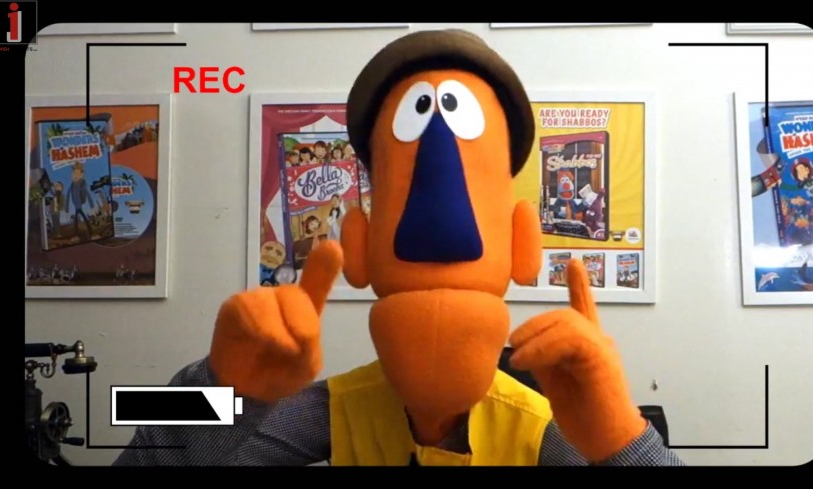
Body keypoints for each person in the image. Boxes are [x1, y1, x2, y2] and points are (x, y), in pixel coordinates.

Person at [115, 29, 684, 467]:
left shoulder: (537, 425)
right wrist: (216, 387)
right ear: (358, 244)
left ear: (521, 245)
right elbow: (136, 439)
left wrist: (624, 440)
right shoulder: (337, 407)